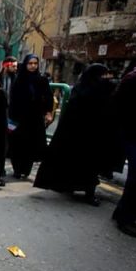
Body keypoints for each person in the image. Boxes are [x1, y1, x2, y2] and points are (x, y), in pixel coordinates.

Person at [34, 64, 118, 205]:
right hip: (81, 137)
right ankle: (78, 189)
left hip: (90, 137)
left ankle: (83, 190)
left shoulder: (92, 89)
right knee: (84, 165)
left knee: (88, 167)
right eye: (103, 75)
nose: (105, 78)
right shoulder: (86, 90)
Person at [8, 54, 53, 179]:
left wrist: (48, 112)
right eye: (30, 63)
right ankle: (17, 168)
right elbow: (13, 100)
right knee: (18, 144)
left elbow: (48, 97)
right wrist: (12, 118)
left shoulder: (42, 80)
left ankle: (26, 170)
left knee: (31, 145)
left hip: (35, 117)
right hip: (20, 118)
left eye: (35, 63)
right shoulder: (19, 80)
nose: (33, 66)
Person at [112, 63, 136, 237]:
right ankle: (126, 217)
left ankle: (125, 211)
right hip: (134, 134)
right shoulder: (133, 79)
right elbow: (117, 106)